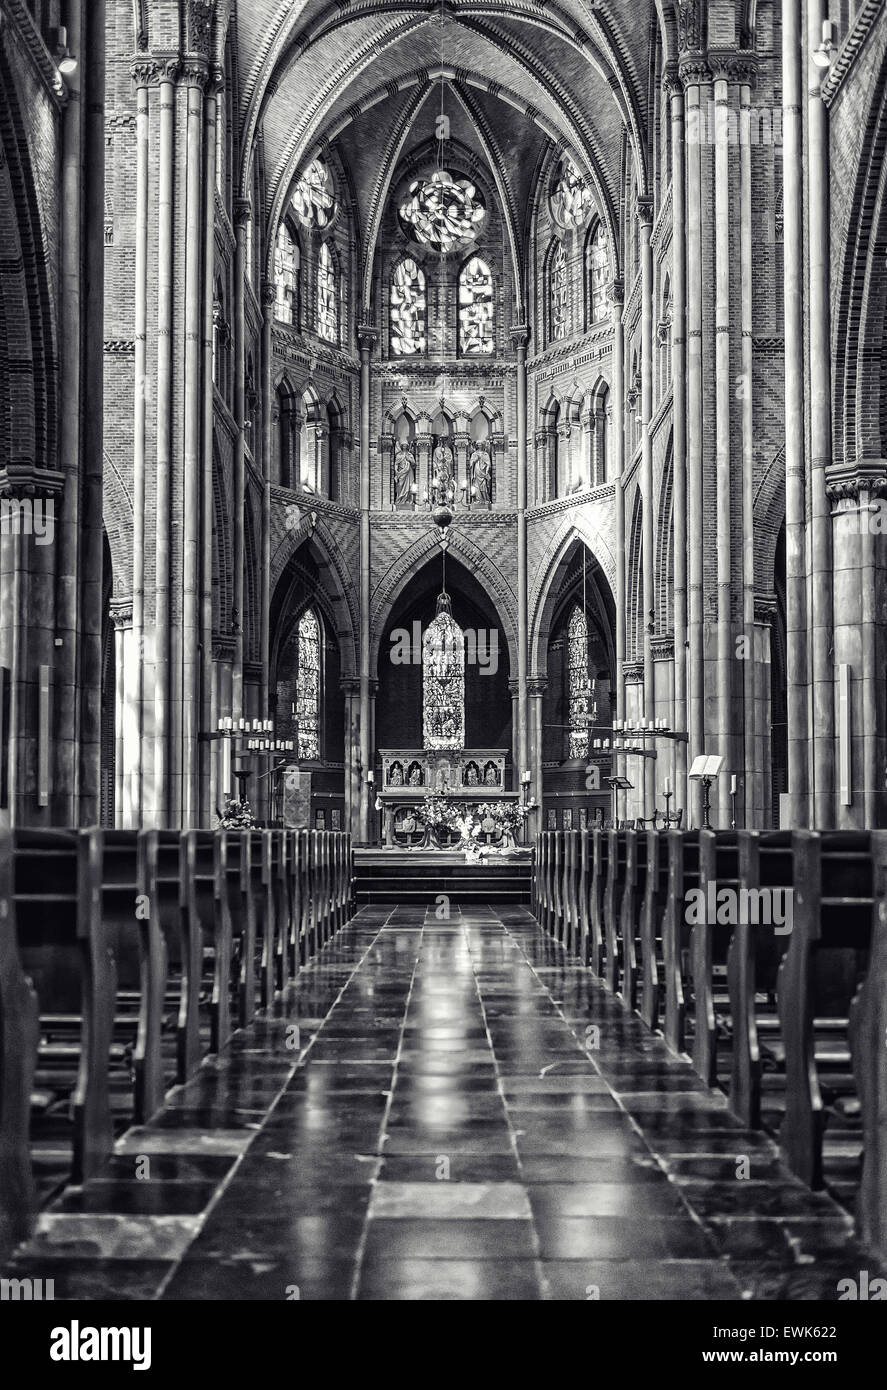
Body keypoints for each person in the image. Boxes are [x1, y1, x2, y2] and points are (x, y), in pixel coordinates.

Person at [393, 442, 415, 507]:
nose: (404, 447)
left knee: (409, 486)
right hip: (401, 472)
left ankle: (407, 500)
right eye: (403, 446)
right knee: (400, 485)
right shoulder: (398, 455)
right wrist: (396, 471)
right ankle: (399, 499)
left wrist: (409, 459)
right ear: (401, 446)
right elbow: (396, 464)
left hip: (409, 472)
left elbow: (414, 464)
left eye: (406, 446)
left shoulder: (410, 454)